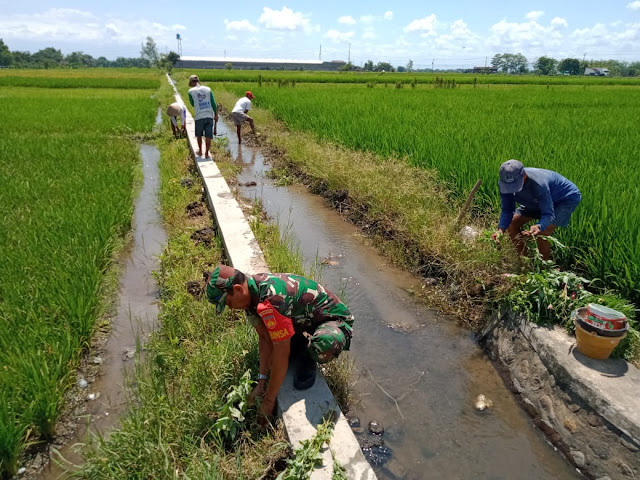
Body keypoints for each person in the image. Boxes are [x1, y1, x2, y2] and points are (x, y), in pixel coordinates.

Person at [206, 265, 354, 422]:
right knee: (274, 355)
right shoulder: (251, 297)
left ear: (237, 289)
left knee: (323, 344)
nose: (230, 308)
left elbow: (281, 352)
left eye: (228, 303)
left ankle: (308, 354)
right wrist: (261, 381)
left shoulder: (273, 297)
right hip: (303, 320)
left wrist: (269, 401)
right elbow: (264, 339)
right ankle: (298, 343)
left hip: (331, 320)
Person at [491, 159, 581, 259]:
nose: (511, 189)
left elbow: (548, 214)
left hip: (564, 199)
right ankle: (523, 261)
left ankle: (544, 268)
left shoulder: (539, 184)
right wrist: (500, 230)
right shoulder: (504, 185)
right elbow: (507, 210)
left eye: (515, 186)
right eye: (509, 187)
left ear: (524, 176)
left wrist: (539, 226)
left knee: (543, 232)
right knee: (511, 223)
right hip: (536, 200)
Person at [187, 75, 218, 158]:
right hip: (209, 116)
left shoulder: (191, 91)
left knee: (199, 135)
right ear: (198, 81)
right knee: (208, 135)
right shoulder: (208, 89)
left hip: (199, 116)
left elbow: (192, 104)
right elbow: (213, 103)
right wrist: (216, 114)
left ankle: (200, 151)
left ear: (191, 82)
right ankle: (207, 153)